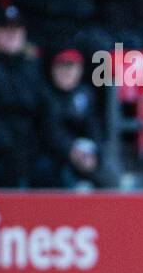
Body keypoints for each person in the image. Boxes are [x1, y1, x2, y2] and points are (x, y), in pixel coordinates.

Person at [0, 7, 94, 188]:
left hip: (28, 148)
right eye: (6, 29)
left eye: (17, 29)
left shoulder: (31, 67)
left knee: (52, 171)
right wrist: (10, 147)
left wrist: (66, 148)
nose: (13, 34)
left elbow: (46, 114)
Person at [43, 47, 111, 187]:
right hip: (55, 154)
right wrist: (71, 151)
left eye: (71, 67)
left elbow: (94, 127)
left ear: (80, 70)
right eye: (62, 66)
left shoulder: (86, 94)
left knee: (108, 172)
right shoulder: (45, 95)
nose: (67, 72)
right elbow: (49, 130)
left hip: (85, 155)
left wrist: (95, 152)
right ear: (53, 69)